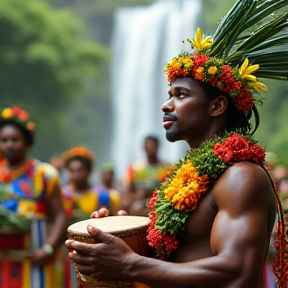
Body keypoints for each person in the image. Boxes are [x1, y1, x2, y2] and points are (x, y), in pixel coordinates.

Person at [66, 1, 288, 287]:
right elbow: (177, 257)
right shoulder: (184, 179)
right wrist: (125, 238)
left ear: (217, 106)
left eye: (181, 95)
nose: (165, 105)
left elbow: (237, 271)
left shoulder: (240, 176)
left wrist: (129, 263)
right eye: (169, 94)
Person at [0, 107, 67, 288]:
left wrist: (48, 249)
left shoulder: (44, 174)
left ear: (27, 142)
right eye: (4, 140)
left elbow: (60, 215)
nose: (9, 145)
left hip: (36, 263)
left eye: (15, 140)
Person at [62, 147, 120, 224]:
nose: (75, 175)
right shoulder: (61, 195)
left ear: (89, 170)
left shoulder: (107, 196)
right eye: (72, 171)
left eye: (80, 170)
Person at [122, 135, 173, 215]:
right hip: (140, 203)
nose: (150, 147)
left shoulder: (168, 168)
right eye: (147, 145)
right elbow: (127, 191)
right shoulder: (135, 168)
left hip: (162, 202)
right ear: (144, 147)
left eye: (153, 145)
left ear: (158, 146)